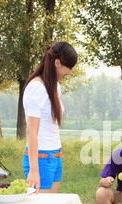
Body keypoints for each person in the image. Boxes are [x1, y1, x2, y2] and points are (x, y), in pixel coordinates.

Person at [22, 42, 77, 194]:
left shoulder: (54, 86)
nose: (70, 72)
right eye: (69, 67)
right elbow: (32, 133)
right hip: (40, 160)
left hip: (55, 156)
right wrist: (34, 170)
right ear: (57, 63)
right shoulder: (36, 88)